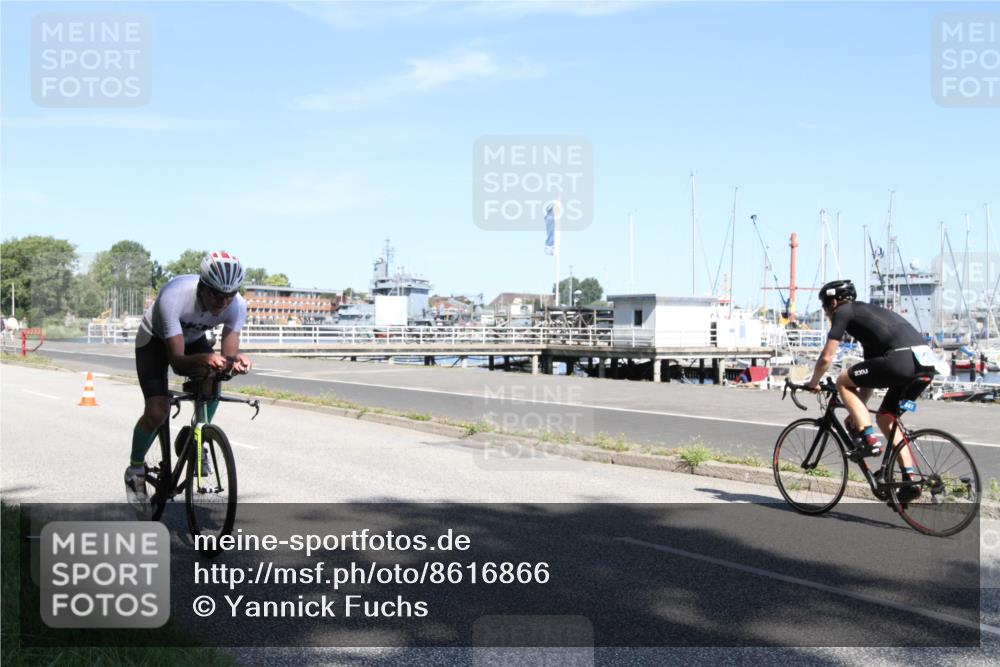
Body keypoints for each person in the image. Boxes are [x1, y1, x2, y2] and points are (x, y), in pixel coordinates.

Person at [125, 252, 252, 506]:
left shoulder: (237, 305)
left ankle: (198, 435)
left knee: (216, 375)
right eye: (216, 294)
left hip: (192, 340)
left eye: (229, 295)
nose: (223, 301)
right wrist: (205, 360)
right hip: (155, 342)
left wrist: (234, 361)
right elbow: (177, 361)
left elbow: (226, 360)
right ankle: (135, 469)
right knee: (157, 410)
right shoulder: (175, 295)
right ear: (202, 286)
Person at [806, 279, 939, 503]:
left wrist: (813, 382)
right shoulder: (870, 319)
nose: (826, 312)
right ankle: (910, 480)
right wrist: (858, 415)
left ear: (834, 302)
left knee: (841, 381)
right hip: (925, 365)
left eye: (825, 306)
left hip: (901, 361)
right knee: (887, 419)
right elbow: (869, 380)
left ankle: (869, 440)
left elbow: (826, 357)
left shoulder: (843, 311)